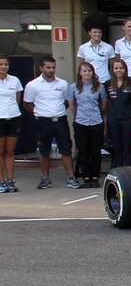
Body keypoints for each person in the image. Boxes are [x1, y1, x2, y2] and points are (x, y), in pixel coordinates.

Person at [23, 56, 76, 189]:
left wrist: (57, 112)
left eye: (53, 67)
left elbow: (66, 102)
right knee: (44, 151)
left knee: (66, 150)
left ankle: (71, 178)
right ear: (41, 68)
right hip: (42, 121)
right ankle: (45, 178)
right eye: (48, 67)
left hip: (60, 120)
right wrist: (38, 113)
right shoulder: (32, 85)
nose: (51, 70)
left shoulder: (63, 84)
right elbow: (27, 104)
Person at [66, 61, 106, 189]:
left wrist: (98, 114)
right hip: (80, 122)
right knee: (83, 150)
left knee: (95, 150)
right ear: (80, 72)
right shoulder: (73, 87)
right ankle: (86, 177)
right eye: (84, 71)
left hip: (96, 121)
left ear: (93, 73)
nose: (87, 73)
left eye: (89, 71)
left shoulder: (99, 86)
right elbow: (71, 104)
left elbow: (104, 103)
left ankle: (95, 176)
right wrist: (78, 114)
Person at [104, 57, 131, 169]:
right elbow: (106, 102)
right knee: (117, 147)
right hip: (113, 119)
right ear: (112, 70)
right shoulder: (107, 84)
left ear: (125, 69)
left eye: (121, 68)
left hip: (128, 118)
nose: (119, 70)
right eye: (116, 68)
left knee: (128, 147)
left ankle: (129, 171)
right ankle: (118, 172)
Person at [0, 54, 21, 192]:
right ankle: (1, 181)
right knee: (0, 151)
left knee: (10, 151)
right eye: (0, 64)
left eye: (5, 64)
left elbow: (18, 98)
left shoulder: (15, 80)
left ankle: (10, 181)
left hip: (13, 117)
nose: (3, 67)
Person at [76, 20, 115, 88]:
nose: (97, 34)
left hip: (105, 80)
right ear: (89, 33)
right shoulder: (83, 48)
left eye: (99, 32)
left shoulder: (109, 47)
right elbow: (81, 66)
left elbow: (112, 66)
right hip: (89, 80)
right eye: (94, 32)